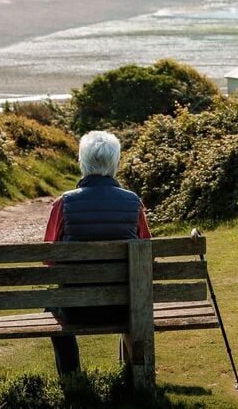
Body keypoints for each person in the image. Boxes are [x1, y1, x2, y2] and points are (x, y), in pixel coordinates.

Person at [44, 130, 151, 377]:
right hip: (126, 306)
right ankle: (135, 378)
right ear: (116, 163)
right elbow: (147, 256)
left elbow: (48, 258)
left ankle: (72, 379)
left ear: (82, 163)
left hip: (76, 309)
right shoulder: (133, 202)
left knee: (50, 306)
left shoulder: (64, 203)